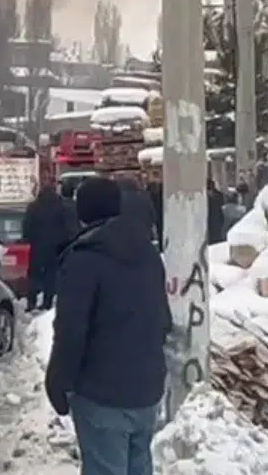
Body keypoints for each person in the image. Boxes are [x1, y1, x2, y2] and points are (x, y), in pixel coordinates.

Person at [45, 176, 170, 475]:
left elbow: (71, 332)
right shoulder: (149, 254)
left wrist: (58, 383)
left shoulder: (84, 260)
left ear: (82, 213)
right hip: (146, 391)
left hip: (101, 392)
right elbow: (163, 320)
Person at [22, 184, 73, 311]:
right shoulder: (61, 207)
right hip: (56, 246)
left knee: (34, 274)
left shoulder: (33, 207)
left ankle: (31, 302)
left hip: (37, 245)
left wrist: (28, 238)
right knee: (51, 275)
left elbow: (27, 225)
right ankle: (47, 302)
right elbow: (67, 226)